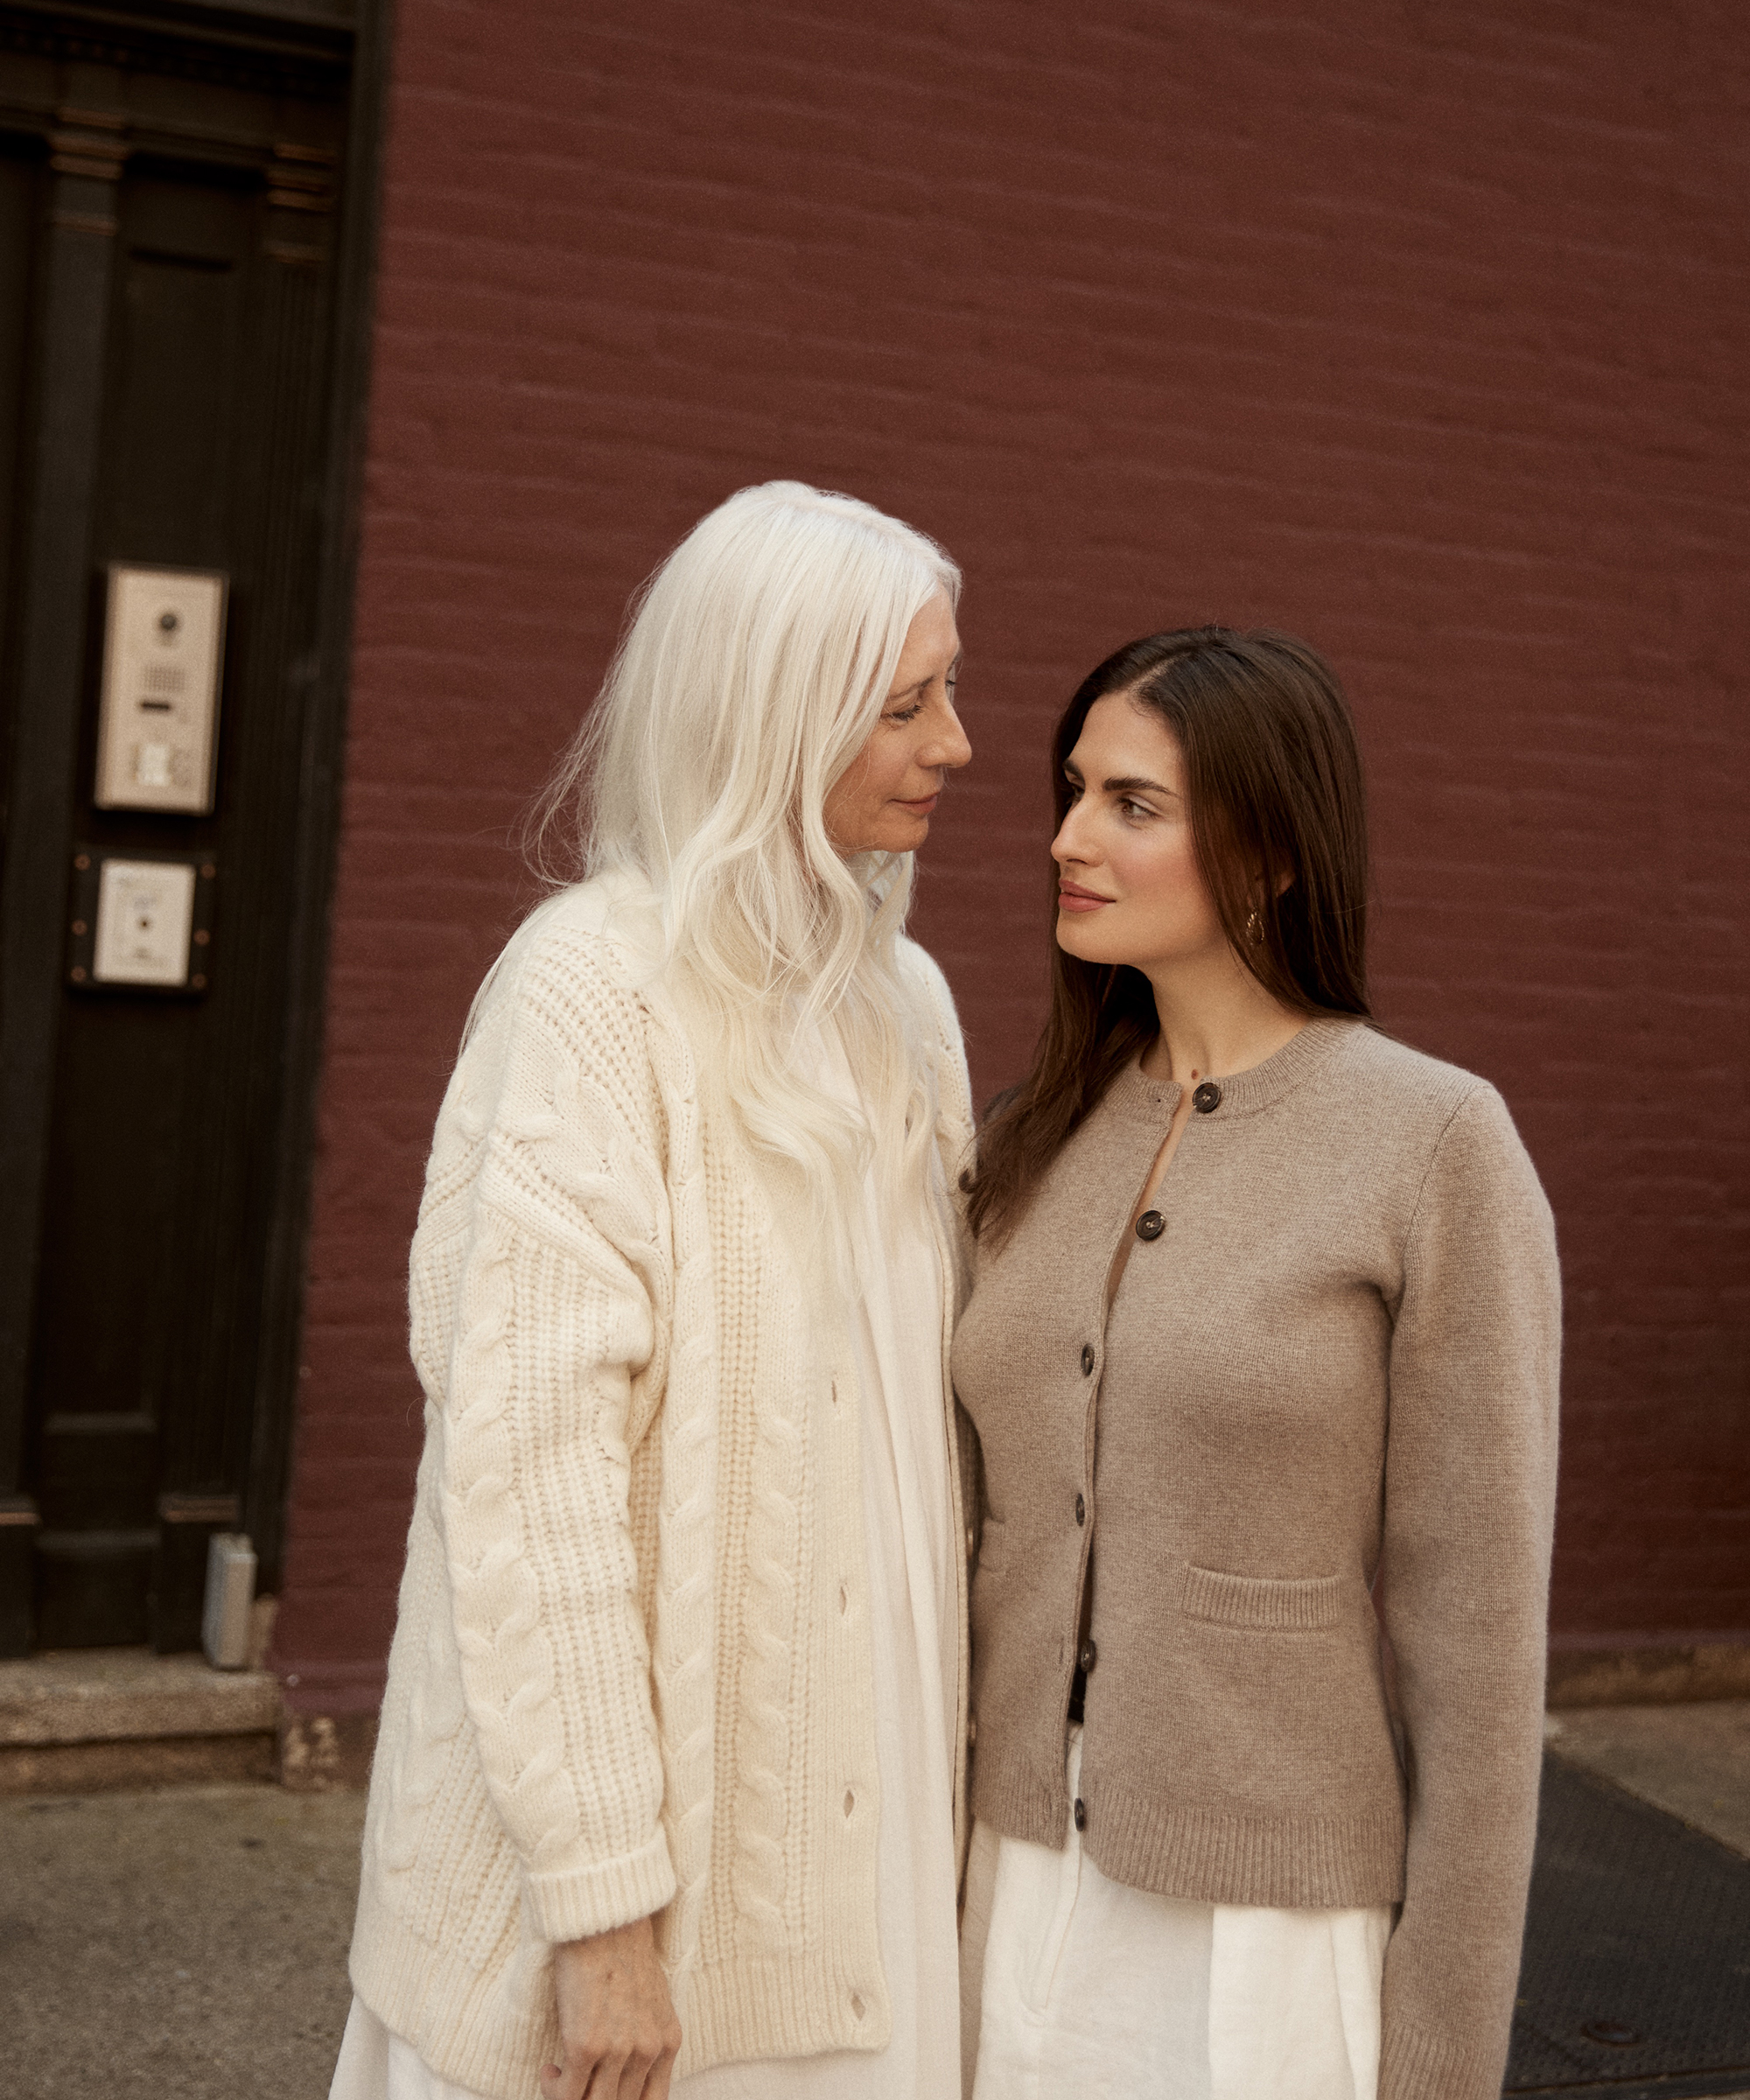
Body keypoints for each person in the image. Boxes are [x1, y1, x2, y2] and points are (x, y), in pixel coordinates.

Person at [328, 481, 976, 2100]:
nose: (960, 742)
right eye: (908, 704)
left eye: (949, 689)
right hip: (638, 1896)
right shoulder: (592, 991)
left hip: (861, 1841)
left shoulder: (908, 1009)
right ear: (773, 719)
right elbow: (531, 1477)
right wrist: (604, 1910)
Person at [952, 627, 1560, 2100]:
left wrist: (1443, 2059)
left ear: (1273, 850)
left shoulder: (1430, 1144)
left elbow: (1479, 1659)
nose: (1066, 840)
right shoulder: (1023, 1139)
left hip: (1261, 1928)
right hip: (1000, 1876)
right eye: (1075, 790)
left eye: (1132, 806)